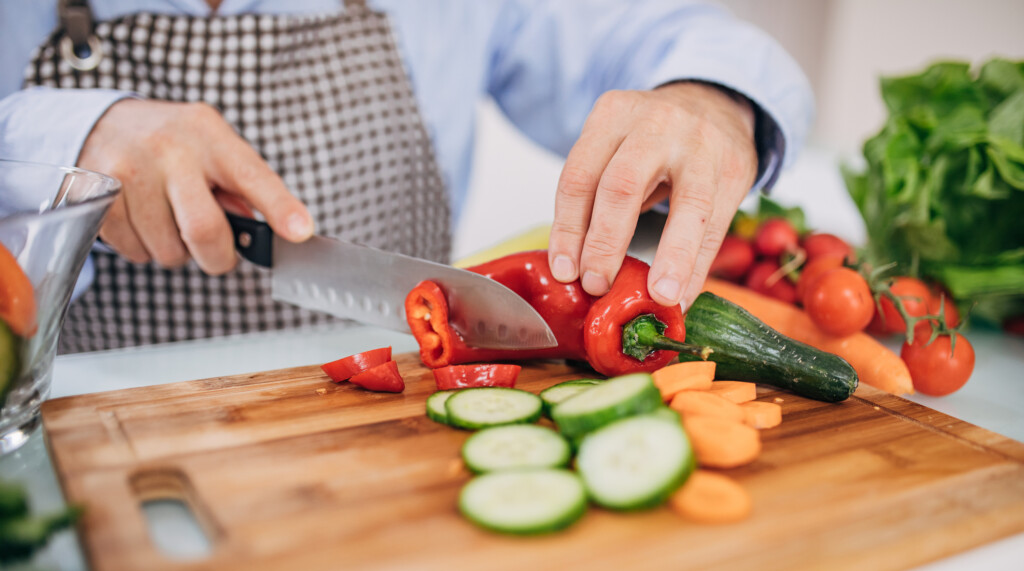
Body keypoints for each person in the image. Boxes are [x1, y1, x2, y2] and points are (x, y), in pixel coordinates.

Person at [0, 0, 813, 353]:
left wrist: (713, 99)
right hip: (78, 444)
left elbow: (658, 31)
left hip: (391, 426)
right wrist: (51, 139)